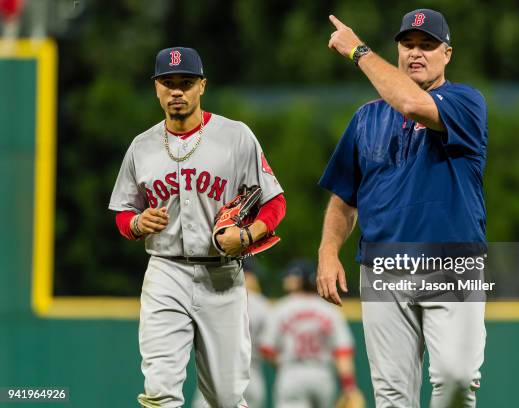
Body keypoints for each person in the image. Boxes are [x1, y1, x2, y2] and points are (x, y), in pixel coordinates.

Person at [317, 9, 487, 408]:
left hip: (452, 263)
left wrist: (358, 50)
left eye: (427, 45)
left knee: (457, 379)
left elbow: (411, 103)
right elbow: (344, 196)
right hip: (382, 269)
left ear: (447, 54)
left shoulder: (466, 102)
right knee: (393, 397)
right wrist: (328, 251)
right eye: (408, 44)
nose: (416, 53)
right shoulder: (367, 118)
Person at [108, 46, 286, 407]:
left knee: (225, 395)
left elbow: (274, 202)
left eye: (185, 83)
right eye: (168, 83)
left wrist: (249, 234)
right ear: (156, 88)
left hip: (221, 276)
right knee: (160, 388)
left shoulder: (236, 136)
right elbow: (122, 215)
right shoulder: (141, 147)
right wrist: (139, 223)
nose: (177, 91)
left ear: (202, 85)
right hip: (165, 271)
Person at [259, 259, 361, 408]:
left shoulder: (281, 308)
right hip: (323, 375)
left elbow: (266, 349)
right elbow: (343, 352)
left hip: (292, 372)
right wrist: (349, 386)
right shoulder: (330, 310)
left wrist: (282, 363)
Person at [191, 258, 270, 408]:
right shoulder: (262, 304)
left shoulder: (209, 296)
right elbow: (267, 347)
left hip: (215, 374)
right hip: (251, 374)